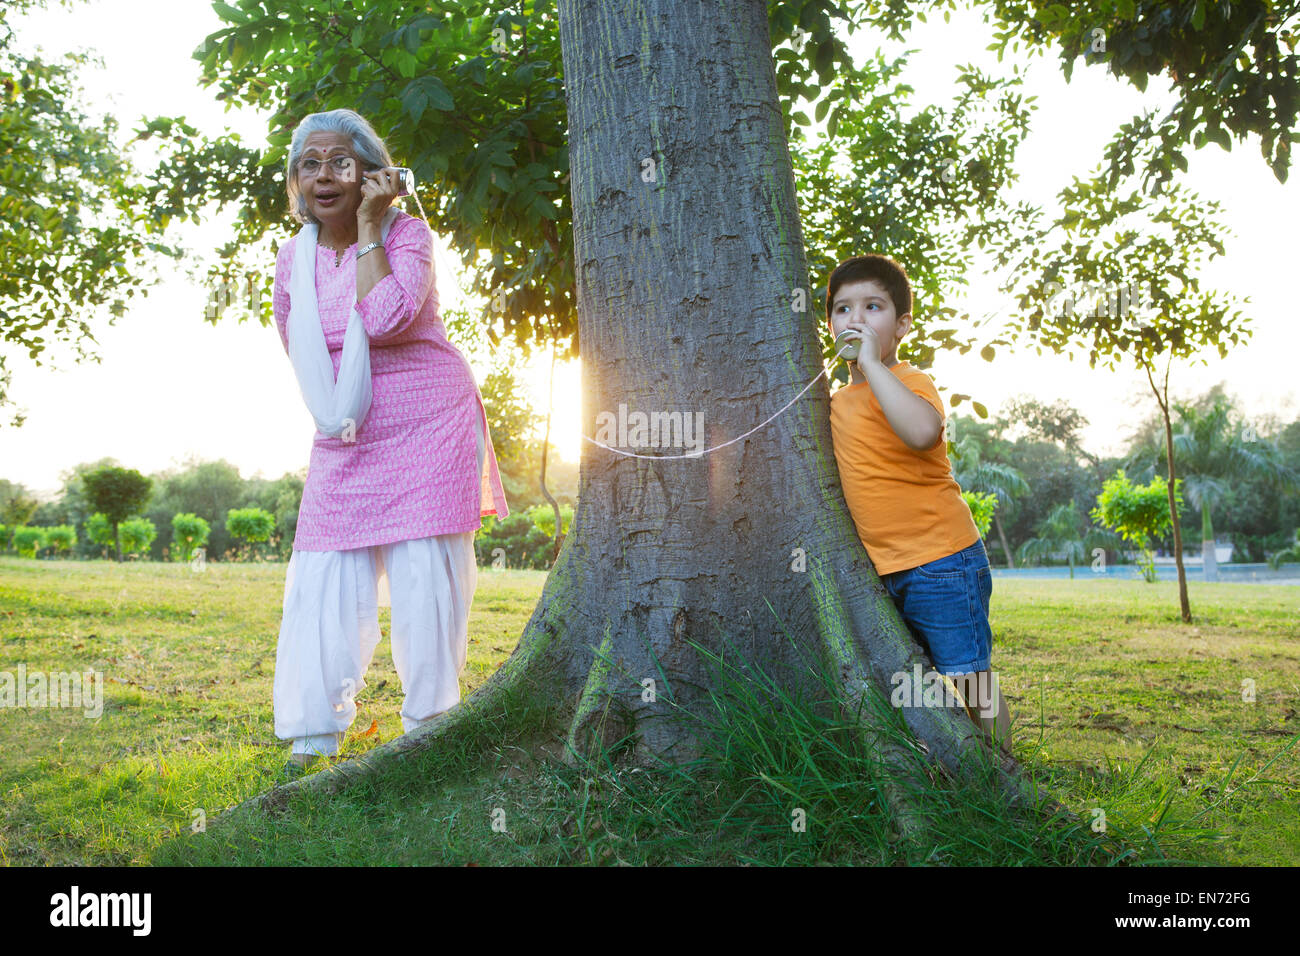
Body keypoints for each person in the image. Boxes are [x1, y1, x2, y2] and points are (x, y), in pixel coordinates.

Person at [270, 108, 509, 778]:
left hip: (428, 423)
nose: (324, 176)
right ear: (296, 179)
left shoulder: (408, 235)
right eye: (310, 163)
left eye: (340, 162)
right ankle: (314, 735)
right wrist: (340, 406)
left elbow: (388, 318)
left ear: (371, 174)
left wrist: (372, 228)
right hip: (344, 429)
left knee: (422, 574)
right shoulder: (292, 259)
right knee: (324, 572)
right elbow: (296, 343)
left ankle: (429, 729)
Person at [826, 254, 1011, 753]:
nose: (856, 318)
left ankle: (1002, 770)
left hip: (941, 559)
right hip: (880, 570)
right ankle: (939, 760)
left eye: (873, 307)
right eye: (842, 309)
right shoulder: (834, 402)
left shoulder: (909, 381)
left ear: (902, 326)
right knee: (906, 674)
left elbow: (923, 432)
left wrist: (871, 364)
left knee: (970, 677)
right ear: (830, 326)